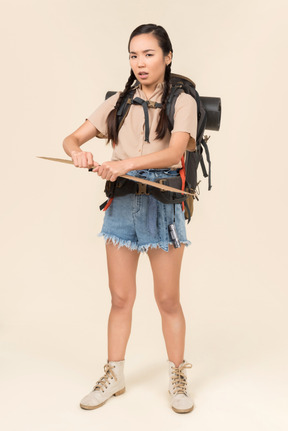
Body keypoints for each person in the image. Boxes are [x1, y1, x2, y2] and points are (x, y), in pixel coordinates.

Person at [62, 23, 197, 414]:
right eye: (133, 55)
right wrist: (79, 154)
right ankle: (114, 374)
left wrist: (126, 164)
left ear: (167, 57)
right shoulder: (120, 100)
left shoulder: (182, 100)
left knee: (167, 299)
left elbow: (174, 153)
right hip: (121, 205)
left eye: (149, 54)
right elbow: (71, 139)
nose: (140, 63)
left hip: (162, 204)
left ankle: (177, 375)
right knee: (120, 297)